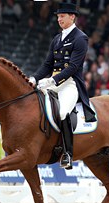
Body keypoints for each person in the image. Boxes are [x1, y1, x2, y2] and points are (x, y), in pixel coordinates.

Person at [29, 2, 96, 170]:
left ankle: (67, 153)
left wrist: (52, 80)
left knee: (63, 111)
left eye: (62, 16)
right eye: (58, 16)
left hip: (70, 83)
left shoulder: (80, 38)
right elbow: (47, 64)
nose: (59, 19)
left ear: (72, 17)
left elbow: (73, 67)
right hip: (54, 82)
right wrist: (34, 79)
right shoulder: (57, 39)